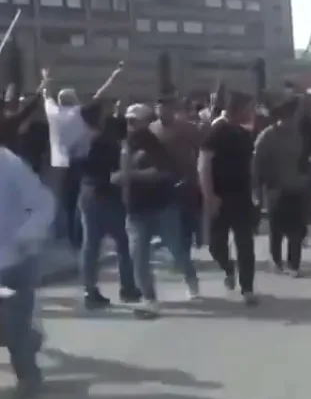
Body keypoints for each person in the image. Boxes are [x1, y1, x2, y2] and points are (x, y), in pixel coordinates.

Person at [115, 104, 200, 319]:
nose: (131, 125)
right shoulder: (125, 145)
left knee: (177, 252)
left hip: (162, 208)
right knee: (138, 257)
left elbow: (162, 173)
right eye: (129, 120)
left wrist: (129, 175)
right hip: (135, 211)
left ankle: (190, 278)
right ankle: (149, 298)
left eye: (135, 120)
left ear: (146, 122)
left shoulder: (156, 145)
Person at [42, 63, 123, 249]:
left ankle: (71, 237)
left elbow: (46, 96)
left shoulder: (53, 112)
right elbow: (99, 96)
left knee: (67, 203)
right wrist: (114, 76)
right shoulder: (80, 113)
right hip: (82, 161)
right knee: (83, 201)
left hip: (60, 163)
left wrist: (45, 79)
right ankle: (83, 237)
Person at [0, 145, 55, 399]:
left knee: (13, 328)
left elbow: (43, 204)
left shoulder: (8, 163)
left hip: (13, 262)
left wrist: (25, 236)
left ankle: (28, 376)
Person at [77, 95, 141, 309]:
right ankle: (128, 288)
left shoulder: (81, 139)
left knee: (91, 246)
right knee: (122, 243)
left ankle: (90, 291)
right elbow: (116, 171)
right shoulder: (104, 141)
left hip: (87, 192)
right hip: (107, 194)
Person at [198, 91, 258, 305]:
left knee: (245, 244)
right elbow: (203, 166)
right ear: (237, 109)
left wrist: (255, 193)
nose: (251, 113)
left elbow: (250, 166)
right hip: (219, 197)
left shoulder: (243, 134)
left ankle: (247, 288)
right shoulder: (215, 132)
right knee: (216, 244)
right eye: (248, 109)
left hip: (241, 197)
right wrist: (209, 196)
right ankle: (228, 267)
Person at [253, 98, 309, 276]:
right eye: (286, 117)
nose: (289, 121)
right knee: (276, 228)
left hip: (298, 187)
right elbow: (256, 163)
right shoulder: (267, 136)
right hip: (276, 188)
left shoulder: (299, 134)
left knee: (297, 230)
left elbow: (306, 158)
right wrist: (257, 189)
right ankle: (276, 260)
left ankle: (294, 264)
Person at [150, 96, 205, 253]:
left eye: (165, 108)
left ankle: (185, 250)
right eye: (159, 108)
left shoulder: (186, 128)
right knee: (167, 218)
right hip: (161, 180)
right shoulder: (152, 129)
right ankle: (175, 252)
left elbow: (200, 149)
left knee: (186, 218)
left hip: (184, 178)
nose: (162, 112)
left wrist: (196, 173)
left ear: (172, 110)